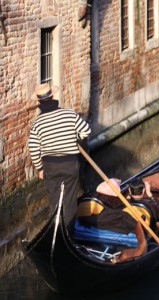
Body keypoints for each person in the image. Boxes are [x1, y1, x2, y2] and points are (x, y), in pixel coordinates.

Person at [28, 83, 91, 229]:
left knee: (55, 202)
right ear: (53, 97)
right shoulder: (69, 114)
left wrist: (40, 169)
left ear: (38, 102)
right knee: (69, 202)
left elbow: (33, 148)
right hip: (70, 164)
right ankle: (69, 235)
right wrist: (73, 136)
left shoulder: (37, 123)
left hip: (51, 166)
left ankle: (56, 231)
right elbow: (86, 131)